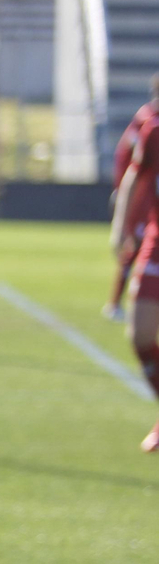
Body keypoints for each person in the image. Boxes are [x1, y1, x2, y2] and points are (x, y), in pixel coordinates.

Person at [111, 72, 159, 452]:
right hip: (156, 243)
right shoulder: (153, 133)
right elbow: (134, 178)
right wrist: (120, 226)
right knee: (140, 333)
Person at [105, 76, 159, 323]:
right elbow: (128, 159)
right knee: (134, 243)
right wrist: (122, 190)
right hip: (145, 198)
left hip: (146, 196)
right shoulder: (147, 121)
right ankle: (116, 302)